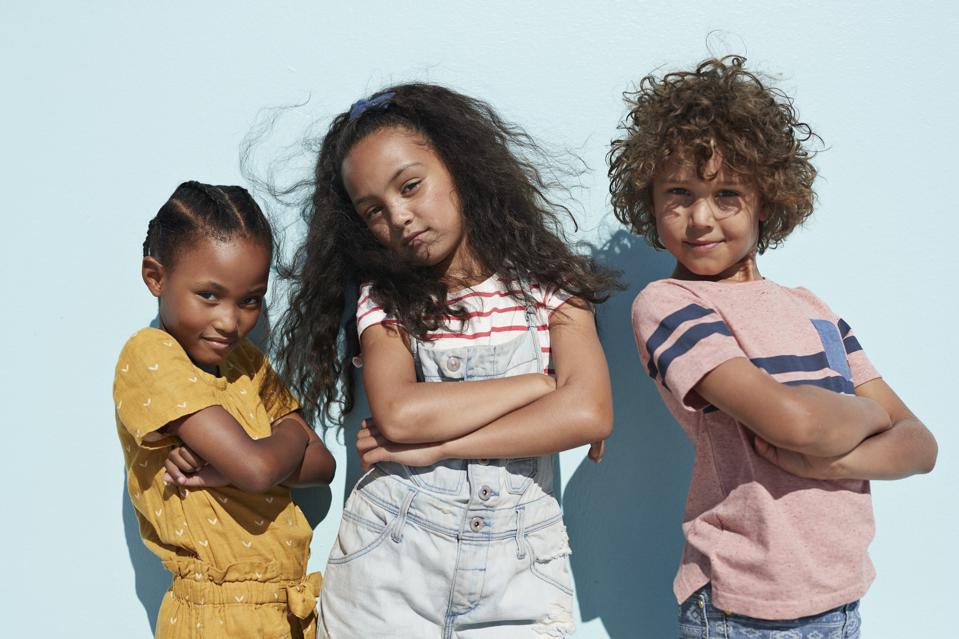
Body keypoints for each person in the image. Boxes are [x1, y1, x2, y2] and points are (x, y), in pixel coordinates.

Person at [610, 56, 938, 637]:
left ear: (770, 198)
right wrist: (866, 415)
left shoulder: (813, 310)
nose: (700, 218)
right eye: (679, 193)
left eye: (728, 193)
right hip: (743, 604)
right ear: (649, 198)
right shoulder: (670, 304)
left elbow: (919, 445)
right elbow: (794, 425)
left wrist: (842, 458)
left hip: (841, 597)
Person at [275, 83, 616, 637]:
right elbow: (401, 415)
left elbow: (589, 414)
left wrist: (439, 445)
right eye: (374, 212)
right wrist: (540, 385)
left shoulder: (555, 286)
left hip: (520, 575)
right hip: (390, 566)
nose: (400, 216)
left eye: (411, 186)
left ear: (459, 166)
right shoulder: (385, 300)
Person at [114, 181, 336, 639]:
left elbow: (323, 465)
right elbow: (257, 469)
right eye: (209, 296)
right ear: (156, 277)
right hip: (214, 618)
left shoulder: (246, 363)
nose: (230, 321)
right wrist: (291, 438)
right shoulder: (150, 355)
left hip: (284, 612)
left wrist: (256, 457)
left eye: (250, 300)